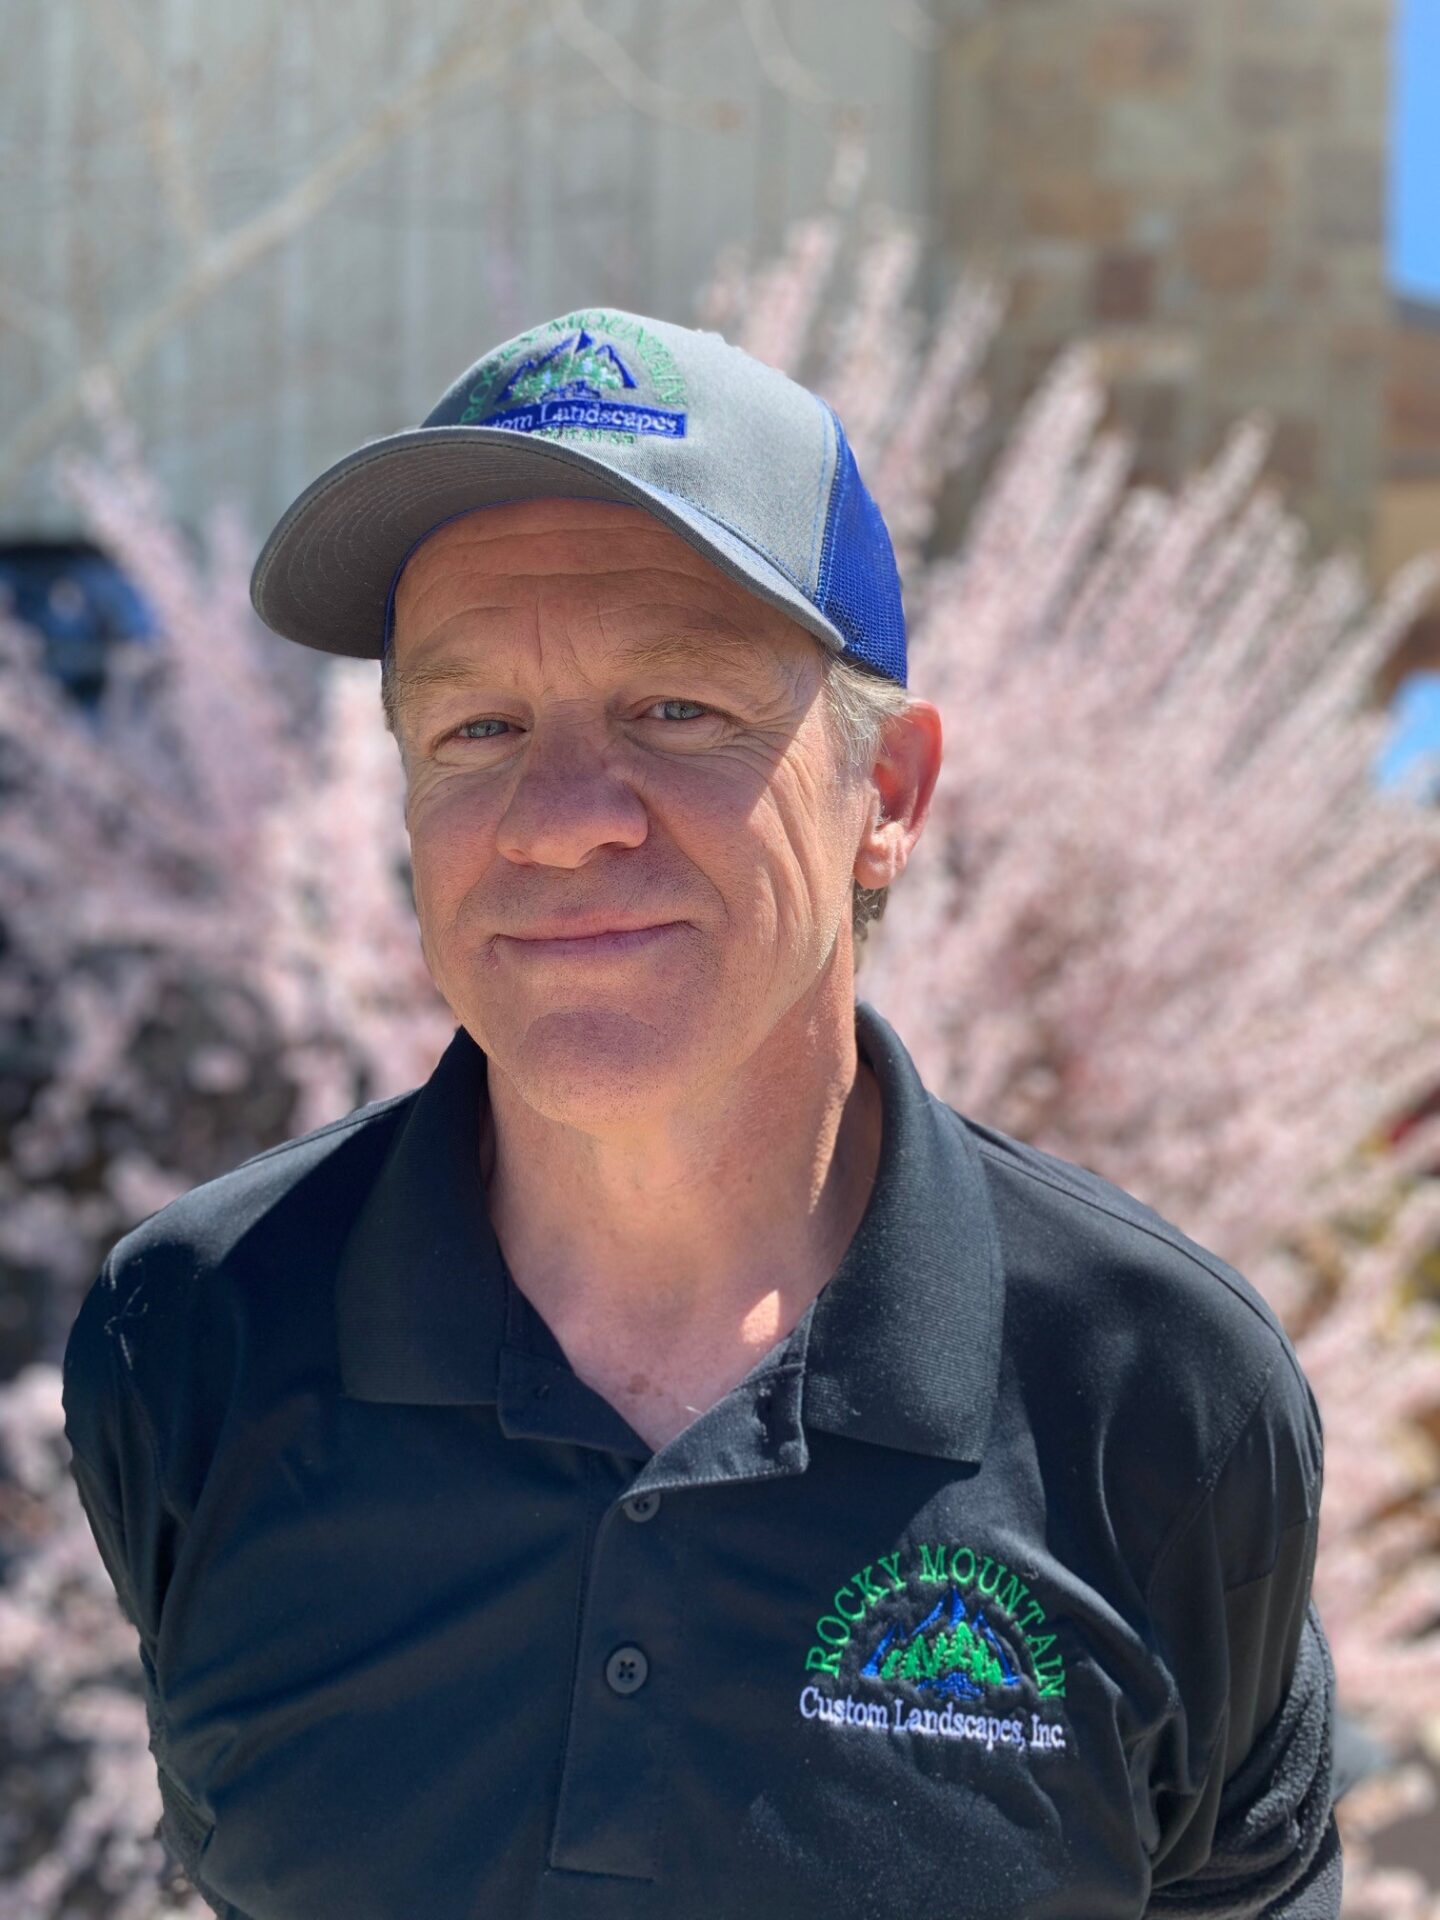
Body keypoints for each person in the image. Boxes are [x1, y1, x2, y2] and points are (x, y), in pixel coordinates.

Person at [62, 307, 1341, 1920]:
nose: (561, 820)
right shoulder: (192, 1337)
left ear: (887, 797)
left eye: (677, 709)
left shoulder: (1162, 1398)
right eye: (477, 728)